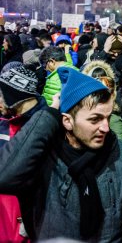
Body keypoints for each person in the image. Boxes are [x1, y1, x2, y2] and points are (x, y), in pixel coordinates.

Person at [0, 67, 122, 242]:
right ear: (67, 121)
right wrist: (49, 115)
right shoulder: (45, 154)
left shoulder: (120, 149)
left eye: (107, 118)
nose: (105, 128)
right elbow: (4, 176)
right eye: (95, 119)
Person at [0, 66, 49, 242]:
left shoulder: (45, 127)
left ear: (14, 96)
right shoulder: (4, 123)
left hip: (30, 225)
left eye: (1, 94)